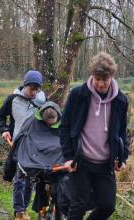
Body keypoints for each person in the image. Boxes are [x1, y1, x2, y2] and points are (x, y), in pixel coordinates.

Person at [60, 52, 129, 220]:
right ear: (92, 76)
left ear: (111, 77)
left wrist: (122, 157)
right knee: (79, 204)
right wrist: (68, 157)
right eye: (97, 78)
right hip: (81, 160)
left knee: (107, 206)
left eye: (104, 80)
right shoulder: (78, 95)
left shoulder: (120, 100)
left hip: (105, 164)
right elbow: (65, 126)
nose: (100, 83)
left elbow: (121, 131)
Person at [0, 70, 46, 220]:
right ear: (25, 86)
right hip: (18, 143)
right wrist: (4, 130)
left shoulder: (44, 102)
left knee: (30, 179)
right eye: (31, 89)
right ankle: (19, 211)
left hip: (35, 146)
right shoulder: (13, 99)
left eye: (37, 89)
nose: (34, 92)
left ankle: (23, 209)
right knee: (19, 178)